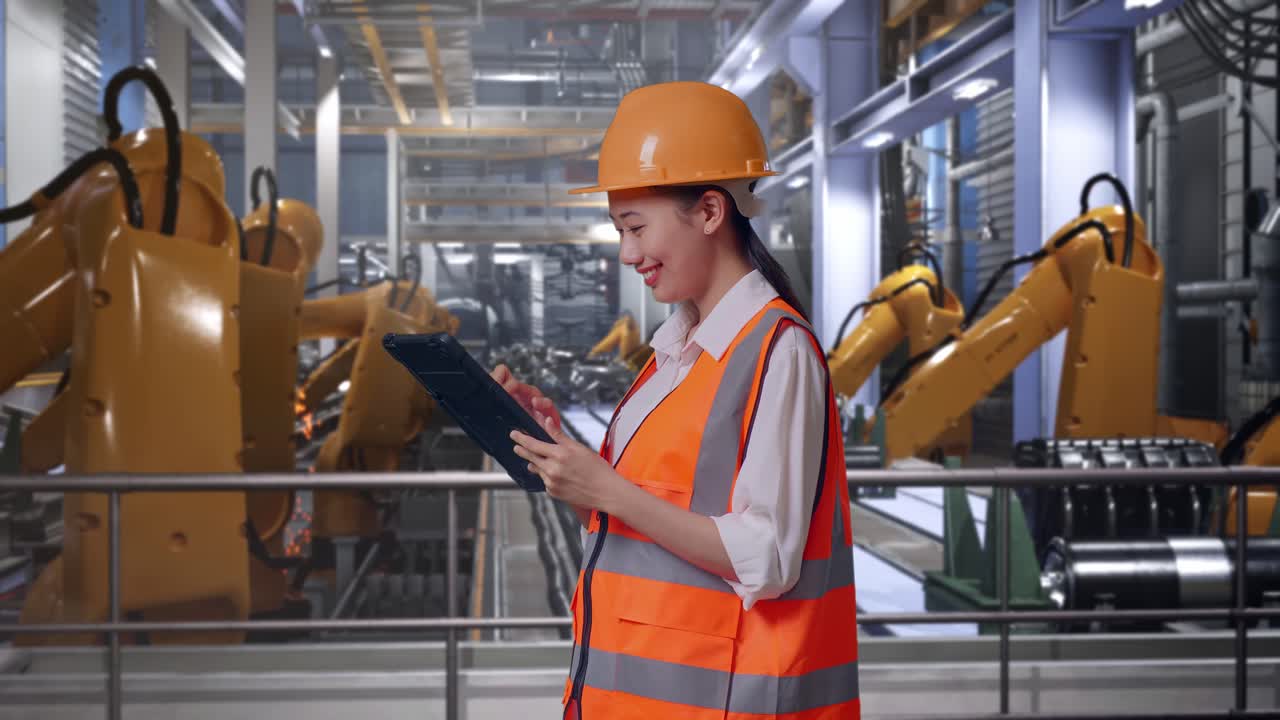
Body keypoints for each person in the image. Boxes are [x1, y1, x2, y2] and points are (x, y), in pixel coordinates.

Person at [495, 81, 860, 719]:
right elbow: (638, 525)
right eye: (619, 231)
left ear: (711, 211)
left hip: (726, 701)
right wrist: (564, 457)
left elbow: (768, 558)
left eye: (635, 227)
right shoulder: (673, 353)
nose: (628, 254)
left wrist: (607, 489)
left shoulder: (779, 352)